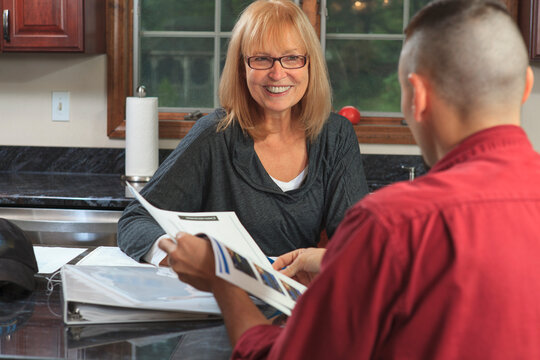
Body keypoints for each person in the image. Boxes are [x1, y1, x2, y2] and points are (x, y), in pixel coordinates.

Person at [159, 0, 540, 358]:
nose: (278, 72)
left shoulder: (390, 224)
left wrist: (225, 278)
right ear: (525, 86)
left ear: (417, 97)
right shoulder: (215, 134)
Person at [117, 0, 369, 264]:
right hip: (222, 297)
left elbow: (357, 241)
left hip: (296, 298)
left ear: (310, 65)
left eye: (292, 57)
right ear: (241, 68)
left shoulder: (336, 135)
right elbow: (135, 219)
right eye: (261, 59)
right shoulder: (214, 135)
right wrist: (174, 255)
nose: (277, 73)